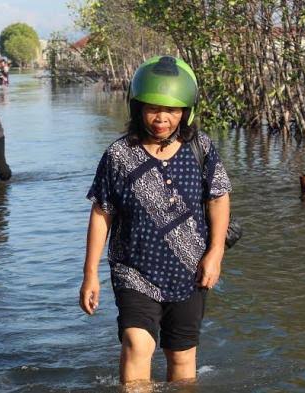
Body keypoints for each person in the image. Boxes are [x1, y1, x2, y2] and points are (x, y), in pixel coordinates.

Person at [78, 56, 231, 385]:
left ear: (185, 111)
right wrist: (90, 275)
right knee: (137, 343)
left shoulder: (200, 148)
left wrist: (215, 252)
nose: (162, 117)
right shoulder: (118, 156)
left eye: (172, 110)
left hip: (191, 269)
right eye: (152, 108)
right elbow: (102, 212)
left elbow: (218, 198)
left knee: (181, 355)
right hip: (134, 269)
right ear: (137, 108)